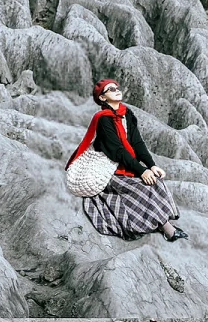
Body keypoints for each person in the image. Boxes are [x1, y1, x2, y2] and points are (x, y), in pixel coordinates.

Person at [73, 79, 187, 241]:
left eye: (116, 88)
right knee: (143, 187)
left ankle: (163, 223)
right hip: (109, 168)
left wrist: (151, 165)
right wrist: (141, 171)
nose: (116, 90)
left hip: (125, 164)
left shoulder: (126, 114)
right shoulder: (104, 119)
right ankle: (168, 229)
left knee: (156, 182)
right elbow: (117, 151)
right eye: (111, 89)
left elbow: (137, 143)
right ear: (103, 98)